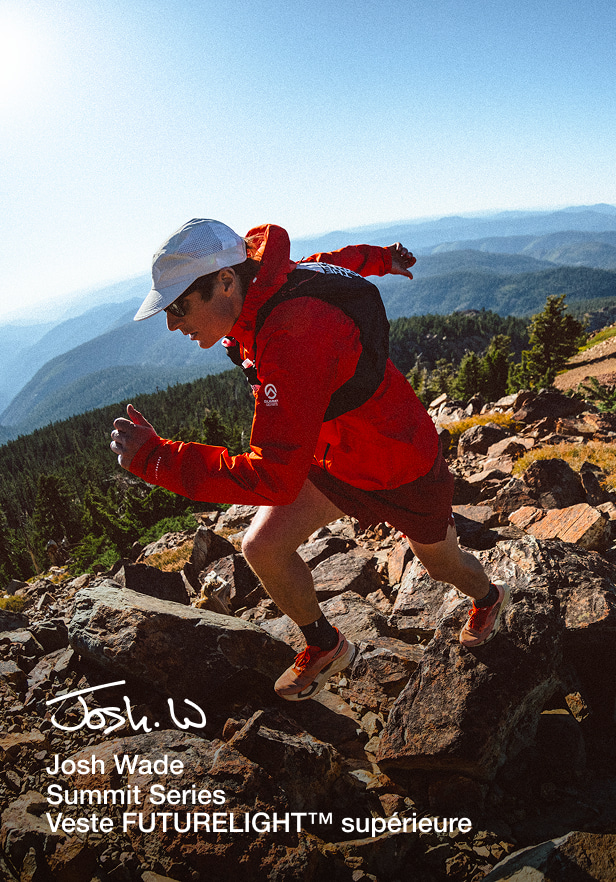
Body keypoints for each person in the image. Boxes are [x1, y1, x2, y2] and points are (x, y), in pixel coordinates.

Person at [110, 218, 509, 701]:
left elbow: (273, 477)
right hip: (331, 458)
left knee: (443, 565)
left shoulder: (292, 333)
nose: (173, 323)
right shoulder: (270, 284)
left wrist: (156, 460)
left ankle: (491, 597)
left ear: (225, 280)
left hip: (397, 462)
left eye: (178, 306)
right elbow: (334, 264)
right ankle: (325, 645)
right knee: (262, 546)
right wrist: (383, 258)